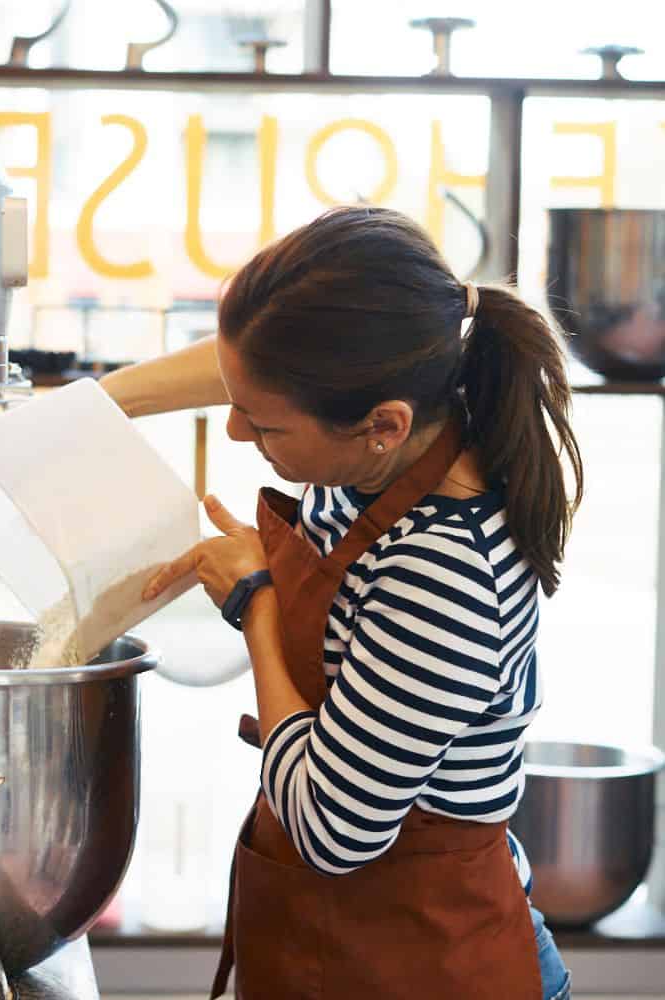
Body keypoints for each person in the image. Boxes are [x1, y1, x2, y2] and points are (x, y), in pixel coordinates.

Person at [100, 206, 582, 1000]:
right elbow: (260, 362)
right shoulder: (393, 434)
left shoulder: (442, 573)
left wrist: (253, 602)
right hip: (347, 947)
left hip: (429, 963)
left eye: (263, 427)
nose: (231, 430)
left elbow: (332, 828)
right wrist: (97, 401)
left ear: (380, 425)